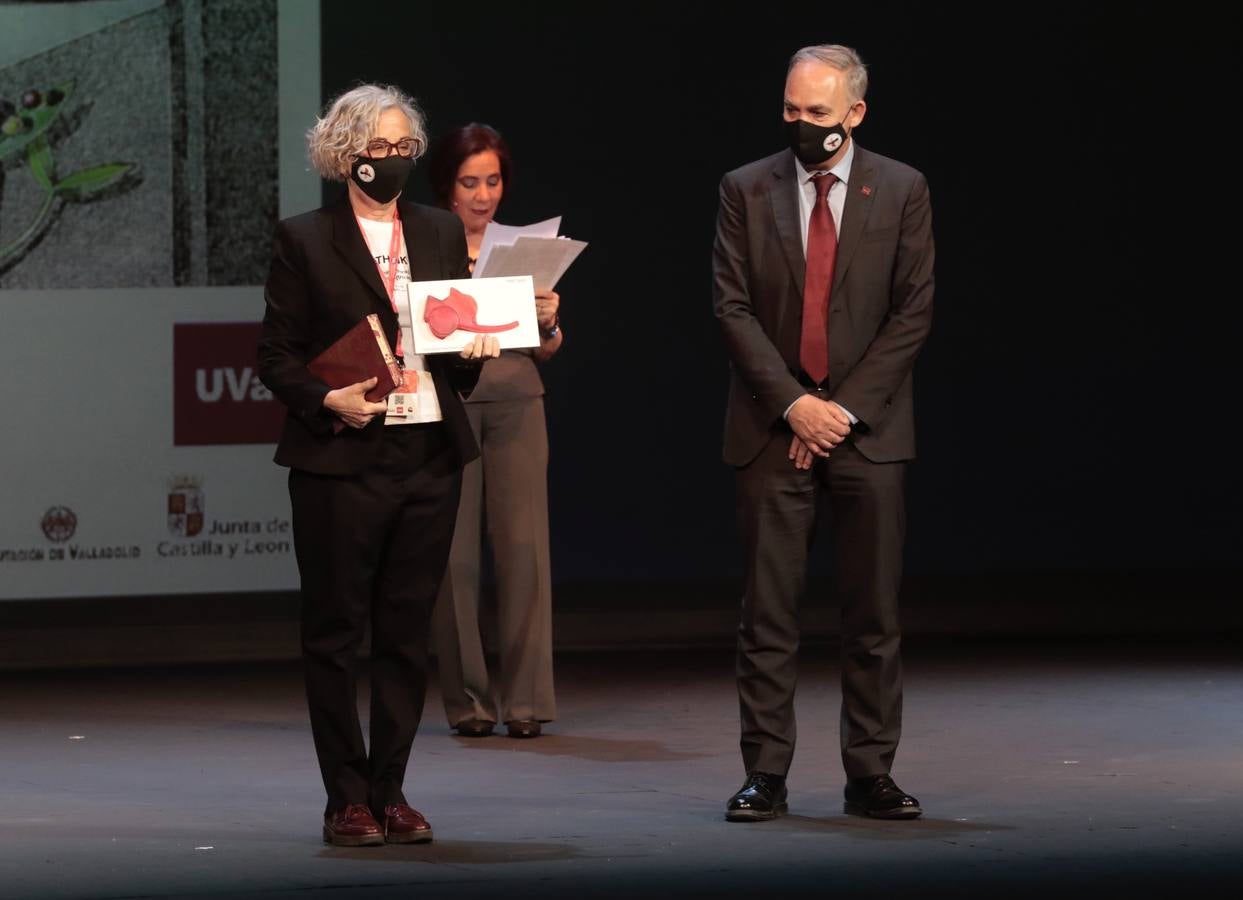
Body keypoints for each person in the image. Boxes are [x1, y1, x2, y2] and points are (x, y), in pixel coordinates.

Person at [258, 84, 500, 846]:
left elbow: (449, 349)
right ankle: (345, 797)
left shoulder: (434, 229)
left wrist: (473, 352)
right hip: (341, 457)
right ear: (344, 154)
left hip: (427, 454)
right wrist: (329, 400)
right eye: (379, 148)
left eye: (405, 147)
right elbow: (276, 357)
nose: (393, 158)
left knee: (405, 632)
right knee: (334, 633)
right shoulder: (304, 238)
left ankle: (391, 790)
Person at [712, 44, 934, 821]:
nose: (801, 125)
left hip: (866, 433)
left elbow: (912, 311)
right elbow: (731, 307)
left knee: (871, 613)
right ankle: (763, 774)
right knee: (767, 614)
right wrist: (793, 406)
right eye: (790, 110)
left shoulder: (901, 188)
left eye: (817, 112)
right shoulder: (745, 188)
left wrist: (837, 411)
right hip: (772, 431)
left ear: (854, 113)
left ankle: (869, 773)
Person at [425, 124, 562, 739]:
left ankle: (528, 702)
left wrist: (550, 322)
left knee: (524, 551)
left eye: (493, 181)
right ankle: (469, 704)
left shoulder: (523, 248)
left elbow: (547, 347)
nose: (483, 195)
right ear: (447, 186)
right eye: (469, 182)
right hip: (451, 402)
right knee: (453, 562)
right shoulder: (428, 242)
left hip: (515, 400)